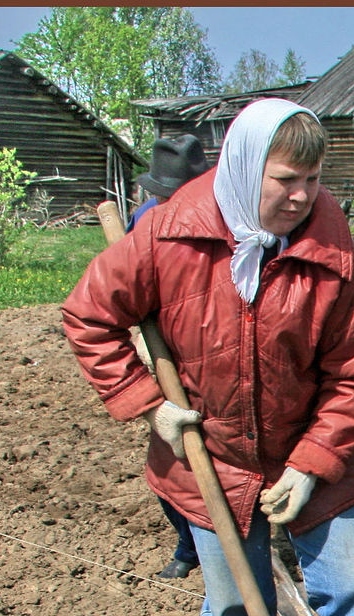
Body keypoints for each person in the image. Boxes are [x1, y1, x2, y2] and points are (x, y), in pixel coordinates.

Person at [63, 98, 354, 616]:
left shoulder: (334, 252)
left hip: (309, 449)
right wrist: (149, 405)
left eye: (313, 177)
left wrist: (310, 464)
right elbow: (90, 315)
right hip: (206, 458)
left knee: (353, 592)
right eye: (285, 179)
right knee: (229, 613)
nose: (302, 195)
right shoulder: (170, 235)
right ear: (246, 169)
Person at [125, 133, 213, 579]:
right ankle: (188, 544)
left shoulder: (221, 220)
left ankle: (239, 536)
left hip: (210, 344)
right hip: (156, 346)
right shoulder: (143, 221)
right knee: (170, 454)